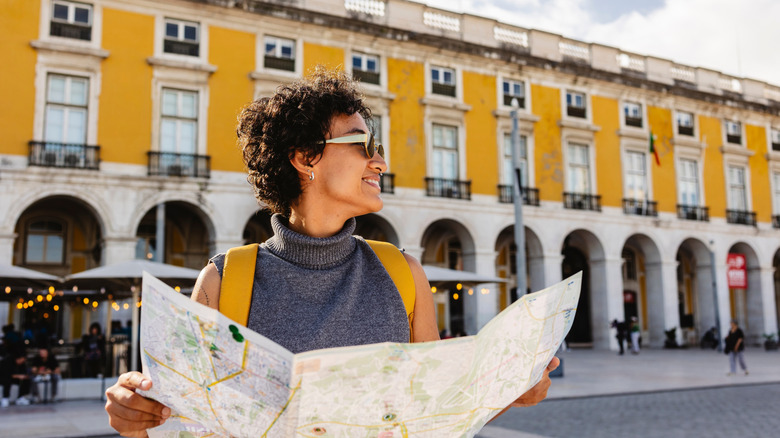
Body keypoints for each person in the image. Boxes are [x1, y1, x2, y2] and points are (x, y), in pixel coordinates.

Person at [104, 67, 560, 436]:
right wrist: (139, 415)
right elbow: (190, 421)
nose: (379, 161)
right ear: (306, 158)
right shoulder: (225, 280)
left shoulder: (403, 272)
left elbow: (436, 414)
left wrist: (512, 390)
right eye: (363, 145)